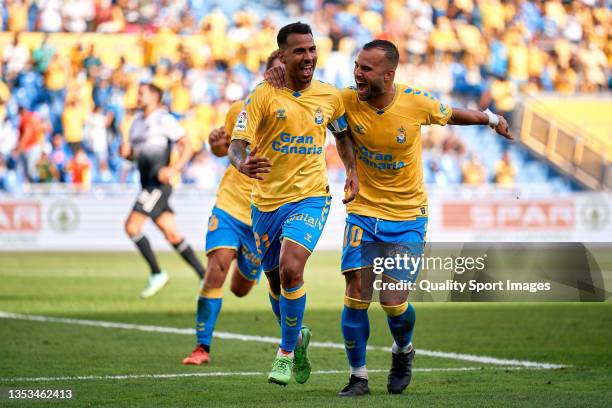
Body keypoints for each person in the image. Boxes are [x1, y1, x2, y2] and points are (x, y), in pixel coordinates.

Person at [265, 39, 512, 396]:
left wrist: (491, 118)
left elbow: (452, 114)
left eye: (366, 69)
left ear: (388, 74)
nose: (357, 74)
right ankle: (359, 377)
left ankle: (403, 350)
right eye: (356, 66)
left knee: (393, 302)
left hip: (408, 215)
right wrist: (282, 74)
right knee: (356, 294)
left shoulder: (415, 101)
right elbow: (316, 100)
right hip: (363, 211)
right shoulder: (346, 99)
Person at [228, 22, 359, 386]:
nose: (308, 57)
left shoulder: (330, 96)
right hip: (266, 202)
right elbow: (237, 144)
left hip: (311, 197)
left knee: (290, 269)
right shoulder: (262, 95)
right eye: (299, 51)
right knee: (274, 282)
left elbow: (343, 134)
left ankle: (284, 354)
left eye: (312, 49)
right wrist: (242, 163)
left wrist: (351, 170)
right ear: (282, 56)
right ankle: (296, 338)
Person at [182, 50, 283, 366]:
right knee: (216, 268)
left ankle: (290, 334)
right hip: (230, 203)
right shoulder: (242, 109)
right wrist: (215, 143)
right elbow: (224, 147)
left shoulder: (301, 112)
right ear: (267, 74)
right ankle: (202, 348)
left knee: (241, 288)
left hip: (263, 212)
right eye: (274, 71)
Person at [120, 83, 205, 299]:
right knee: (172, 234)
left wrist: (173, 169)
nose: (137, 96)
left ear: (156, 96)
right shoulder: (137, 122)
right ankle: (205, 277)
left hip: (158, 185)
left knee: (131, 227)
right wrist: (128, 155)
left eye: (141, 92)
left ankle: (157, 273)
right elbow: (136, 155)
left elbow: (187, 145)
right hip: (146, 183)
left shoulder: (164, 119)